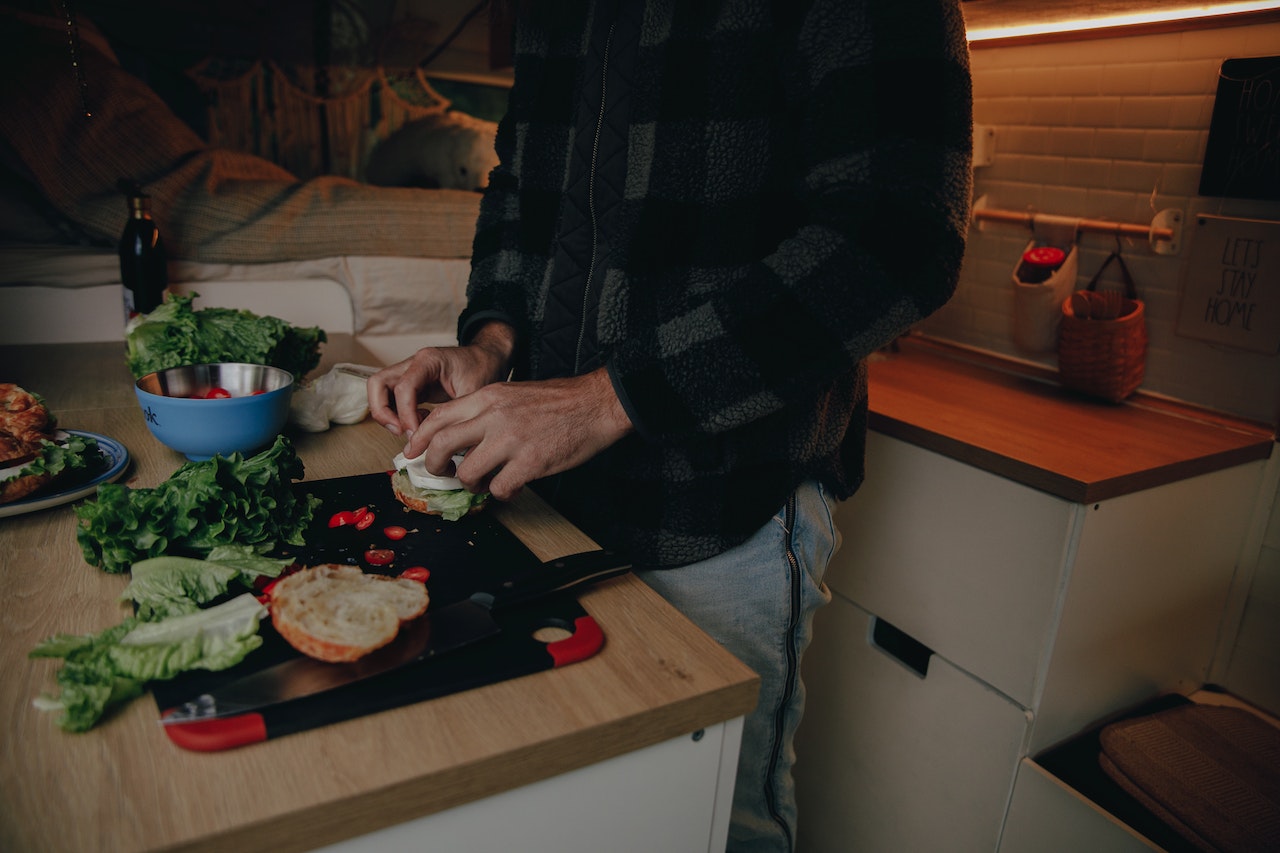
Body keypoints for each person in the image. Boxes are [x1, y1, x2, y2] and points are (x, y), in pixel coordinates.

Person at [368, 1, 973, 849]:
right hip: (548, 509)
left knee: (716, 824)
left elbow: (901, 236)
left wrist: (607, 399)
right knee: (581, 812)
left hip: (720, 513)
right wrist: (491, 341)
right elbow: (520, 187)